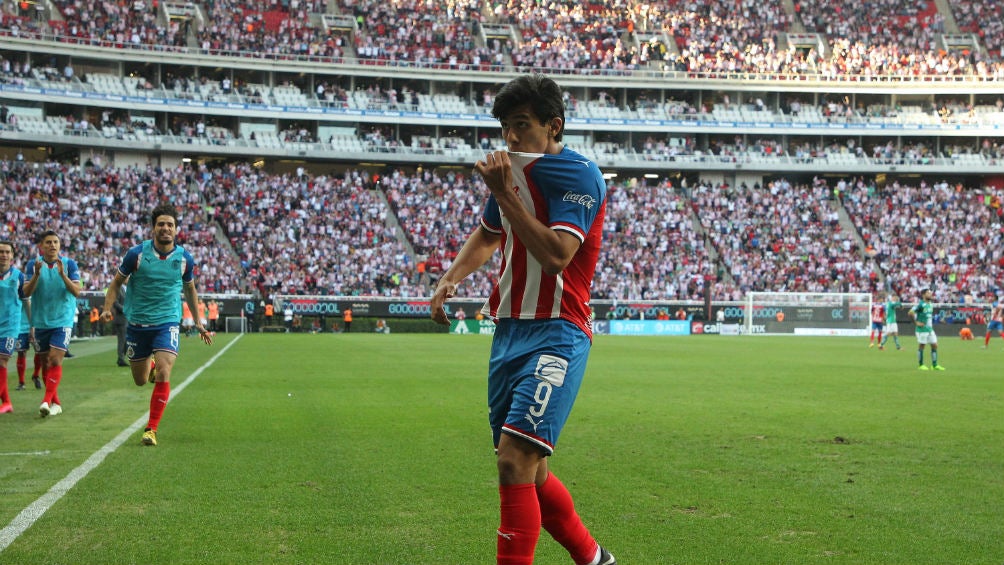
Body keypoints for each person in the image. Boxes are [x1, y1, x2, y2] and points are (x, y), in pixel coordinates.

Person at [430, 74, 616, 565]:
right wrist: (450, 277)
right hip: (509, 332)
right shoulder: (511, 172)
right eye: (506, 128)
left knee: (514, 461)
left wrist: (504, 191)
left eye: (521, 126)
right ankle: (595, 558)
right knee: (529, 473)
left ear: (554, 126)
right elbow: (491, 233)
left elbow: (558, 256)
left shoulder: (579, 176)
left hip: (558, 331)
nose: (511, 139)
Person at [101, 203, 214, 446]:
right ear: (153, 228)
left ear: (176, 230)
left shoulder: (184, 258)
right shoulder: (137, 254)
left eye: (170, 225)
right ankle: (148, 364)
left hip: (167, 323)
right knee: (140, 380)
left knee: (165, 370)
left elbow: (190, 289)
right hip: (138, 324)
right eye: (161, 224)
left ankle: (151, 428)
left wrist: (198, 322)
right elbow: (116, 283)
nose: (165, 228)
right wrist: (107, 308)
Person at [23, 230, 82, 417]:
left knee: (55, 359)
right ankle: (55, 402)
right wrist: (36, 274)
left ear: (59, 245)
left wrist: (63, 275)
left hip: (62, 320)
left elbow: (77, 291)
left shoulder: (69, 264)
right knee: (45, 364)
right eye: (48, 242)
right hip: (41, 320)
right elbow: (26, 292)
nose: (52, 245)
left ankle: (46, 400)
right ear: (41, 245)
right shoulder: (33, 264)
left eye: (55, 242)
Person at [0, 240, 27, 413]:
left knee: (2, 360)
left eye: (7, 252)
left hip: (10, 326)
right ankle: (7, 403)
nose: (3, 255)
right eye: (1, 252)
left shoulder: (18, 276)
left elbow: (26, 300)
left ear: (12, 256)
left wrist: (32, 325)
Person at [909, 288, 945, 371]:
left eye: (930, 293)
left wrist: (939, 319)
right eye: (928, 293)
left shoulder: (930, 304)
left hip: (929, 329)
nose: (930, 294)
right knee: (922, 346)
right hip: (922, 329)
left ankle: (934, 365)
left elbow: (929, 316)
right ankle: (921, 365)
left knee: (935, 345)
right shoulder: (920, 304)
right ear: (923, 295)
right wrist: (916, 323)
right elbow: (910, 312)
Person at [112, 281, 128, 366]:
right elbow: (115, 303)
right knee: (122, 340)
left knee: (126, 341)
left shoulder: (126, 289)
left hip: (126, 319)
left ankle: (121, 357)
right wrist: (125, 309)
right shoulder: (119, 289)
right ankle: (120, 359)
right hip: (121, 319)